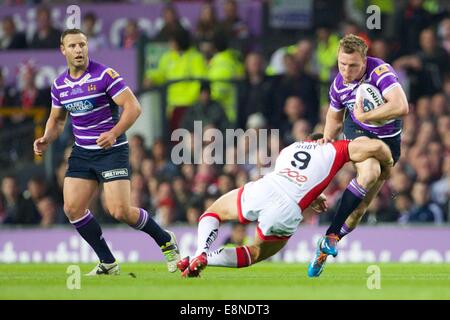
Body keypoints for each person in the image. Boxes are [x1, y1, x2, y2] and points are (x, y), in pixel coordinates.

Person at [33, 29, 180, 275]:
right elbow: (57, 120)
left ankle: (166, 240)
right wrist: (47, 137)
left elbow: (133, 107)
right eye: (73, 46)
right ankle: (108, 262)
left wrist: (114, 132)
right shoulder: (59, 85)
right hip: (82, 152)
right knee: (72, 208)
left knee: (120, 211)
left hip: (112, 150)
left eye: (82, 45)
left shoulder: (104, 75)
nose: (79, 50)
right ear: (63, 50)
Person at [177, 134, 394, 277]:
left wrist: (315, 195)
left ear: (308, 139)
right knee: (255, 253)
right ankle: (207, 260)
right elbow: (375, 146)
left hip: (266, 187)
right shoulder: (332, 149)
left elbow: (298, 175)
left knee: (212, 213)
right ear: (324, 140)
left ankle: (201, 252)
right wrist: (388, 162)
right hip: (287, 209)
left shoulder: (289, 149)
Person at [310, 34, 409, 277]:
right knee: (370, 171)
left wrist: (366, 115)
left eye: (353, 65)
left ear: (364, 61)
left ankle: (328, 242)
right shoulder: (338, 84)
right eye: (342, 64)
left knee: (358, 212)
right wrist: (327, 139)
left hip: (389, 140)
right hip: (358, 132)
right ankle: (331, 235)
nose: (346, 70)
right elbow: (334, 116)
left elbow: (401, 106)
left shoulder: (380, 72)